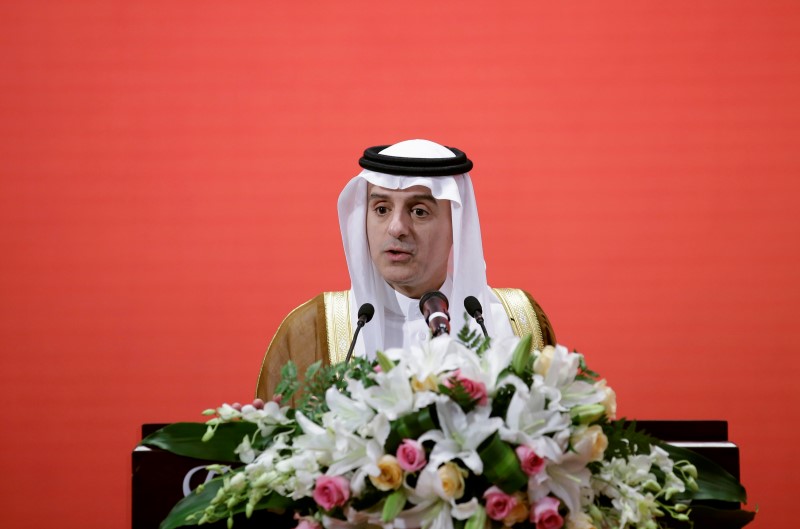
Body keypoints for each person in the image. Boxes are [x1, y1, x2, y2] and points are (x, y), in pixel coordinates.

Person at [255, 139, 555, 400]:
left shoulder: (515, 323)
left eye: (419, 211)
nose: (397, 228)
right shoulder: (312, 332)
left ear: (457, 227)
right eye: (382, 209)